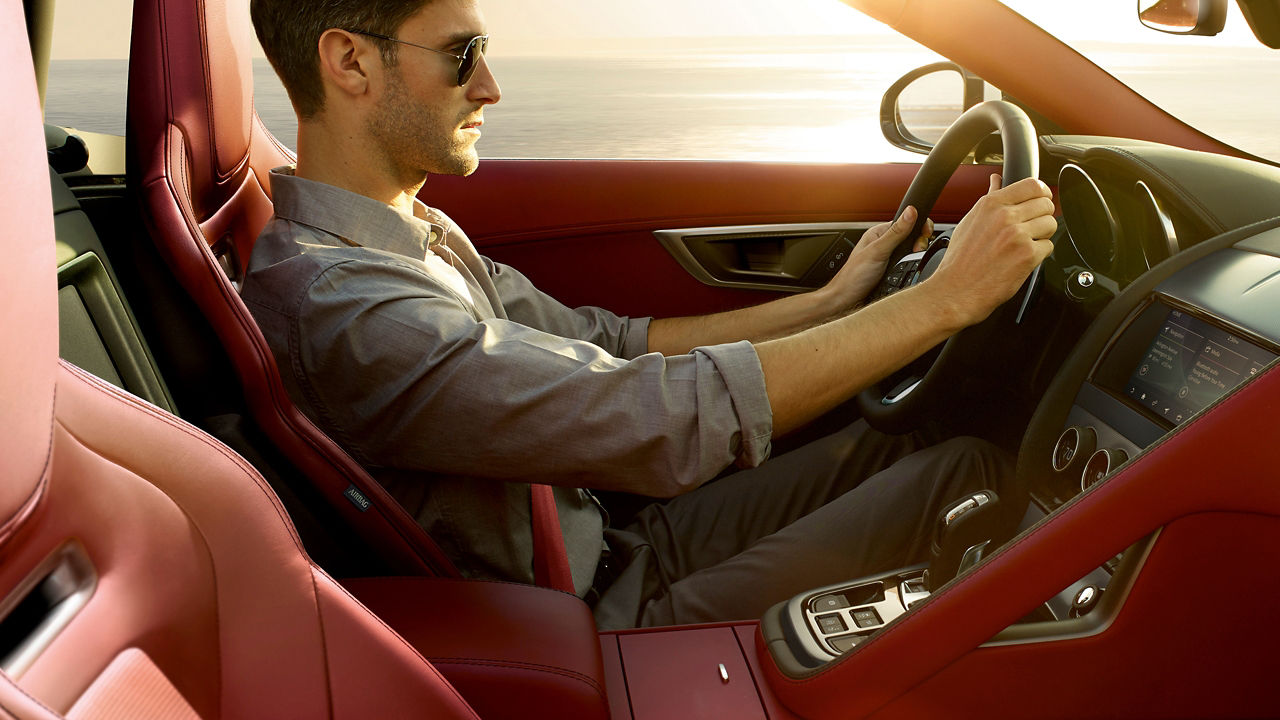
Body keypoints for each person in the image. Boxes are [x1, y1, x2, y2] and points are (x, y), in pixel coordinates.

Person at [243, 0, 1058, 629]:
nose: (490, 86)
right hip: (595, 622)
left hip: (617, 546)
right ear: (350, 62)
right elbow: (657, 418)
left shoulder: (411, 238)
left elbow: (614, 343)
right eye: (463, 56)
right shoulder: (347, 306)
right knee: (971, 479)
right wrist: (944, 298)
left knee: (905, 447)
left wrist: (833, 301)